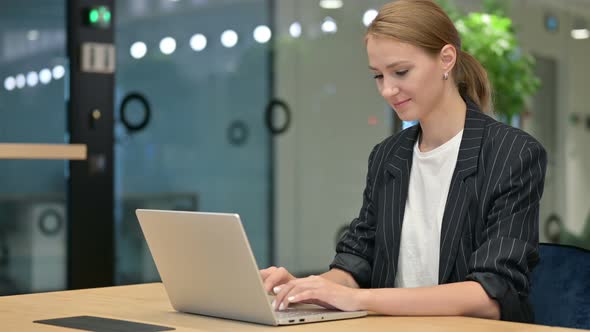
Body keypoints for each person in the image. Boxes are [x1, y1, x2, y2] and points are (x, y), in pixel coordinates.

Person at [261, 0, 547, 323]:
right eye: (378, 76)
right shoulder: (388, 156)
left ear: (446, 60)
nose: (387, 89)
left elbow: (491, 293)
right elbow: (356, 262)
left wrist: (357, 298)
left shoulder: (512, 153)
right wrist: (300, 290)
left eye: (400, 72)